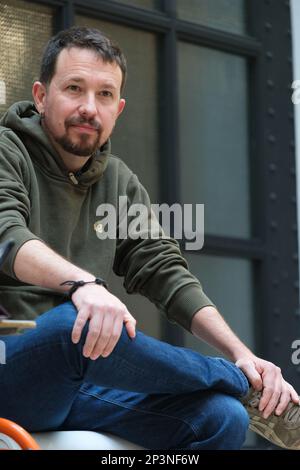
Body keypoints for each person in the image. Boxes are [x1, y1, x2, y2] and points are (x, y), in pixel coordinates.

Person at [0, 26, 299, 451]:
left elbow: (164, 271)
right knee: (76, 324)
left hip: (70, 386)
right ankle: (236, 381)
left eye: (104, 95)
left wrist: (243, 354)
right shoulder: (6, 150)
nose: (89, 107)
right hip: (10, 365)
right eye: (73, 88)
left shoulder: (117, 180)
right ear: (42, 95)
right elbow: (6, 236)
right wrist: (83, 285)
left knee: (222, 418)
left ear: (118, 109)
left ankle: (238, 381)